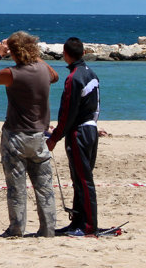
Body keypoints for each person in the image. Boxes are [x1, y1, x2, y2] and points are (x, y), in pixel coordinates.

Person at [0, 31, 59, 238]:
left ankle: (16, 229)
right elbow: (55, 76)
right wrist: (35, 56)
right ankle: (48, 229)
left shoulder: (13, 73)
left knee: (17, 187)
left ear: (14, 52)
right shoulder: (44, 70)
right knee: (44, 187)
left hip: (16, 136)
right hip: (38, 136)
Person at [47, 37, 101, 237]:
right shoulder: (91, 73)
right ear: (84, 53)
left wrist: (55, 137)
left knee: (83, 180)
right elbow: (96, 104)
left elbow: (68, 112)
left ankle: (88, 227)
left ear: (65, 55)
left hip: (79, 132)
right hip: (91, 130)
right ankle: (77, 222)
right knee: (79, 179)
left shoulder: (73, 78)